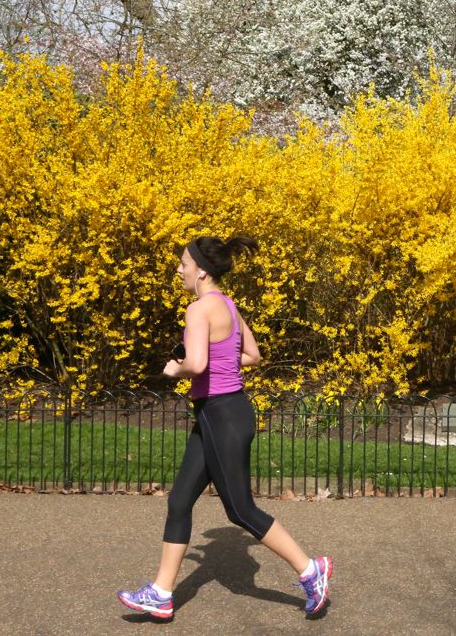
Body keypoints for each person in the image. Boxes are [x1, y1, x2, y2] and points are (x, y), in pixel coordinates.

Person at [118, 235, 332, 620]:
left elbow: (197, 364)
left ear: (201, 271)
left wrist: (176, 369)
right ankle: (161, 593)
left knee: (240, 509)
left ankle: (310, 570)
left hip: (221, 416)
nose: (179, 270)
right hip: (223, 413)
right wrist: (217, 364)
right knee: (180, 501)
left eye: (184, 264)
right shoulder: (229, 306)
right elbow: (253, 355)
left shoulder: (198, 309)